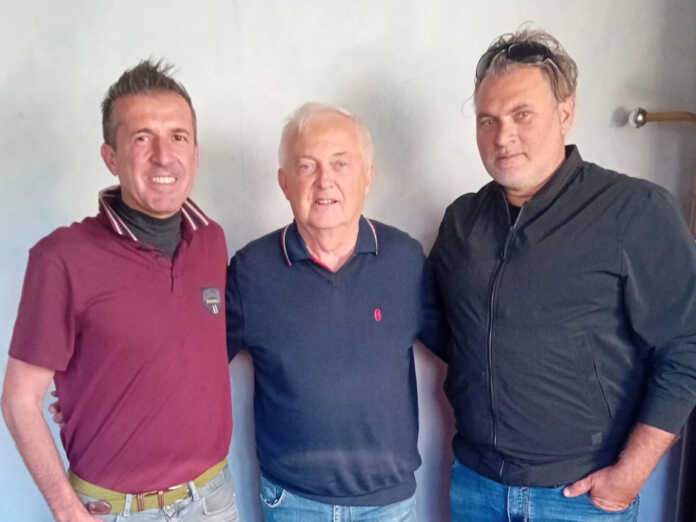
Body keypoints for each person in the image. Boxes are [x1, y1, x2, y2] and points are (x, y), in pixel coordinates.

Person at [429, 28, 696, 521]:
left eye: (522, 114)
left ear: (566, 112)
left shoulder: (635, 210)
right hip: (476, 488)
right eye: (488, 120)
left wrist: (631, 473)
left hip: (580, 498)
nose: (502, 136)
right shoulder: (462, 222)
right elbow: (443, 327)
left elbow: (686, 346)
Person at [1, 60, 237, 522]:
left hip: (213, 501)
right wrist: (66, 510)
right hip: (113, 511)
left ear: (195, 153)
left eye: (178, 136)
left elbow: (181, 351)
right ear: (111, 157)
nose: (163, 156)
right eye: (142, 138)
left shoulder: (211, 241)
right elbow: (19, 399)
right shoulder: (61, 258)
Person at [225, 102, 445, 522]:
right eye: (306, 166)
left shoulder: (405, 261)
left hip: (387, 505)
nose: (324, 181)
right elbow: (194, 367)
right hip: (292, 503)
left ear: (368, 176)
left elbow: (470, 352)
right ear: (284, 182)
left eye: (341, 163)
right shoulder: (252, 271)